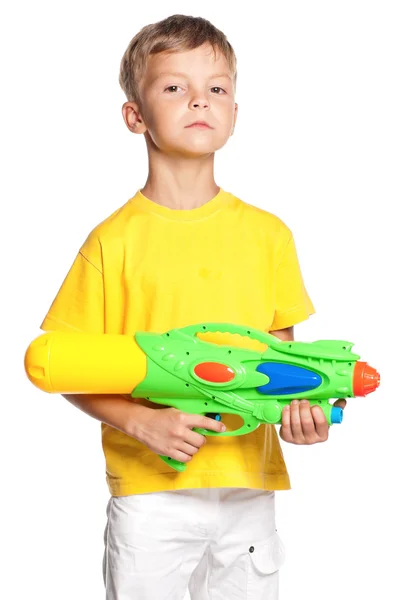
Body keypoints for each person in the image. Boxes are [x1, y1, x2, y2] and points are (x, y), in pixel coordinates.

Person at [39, 14, 346, 600]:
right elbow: (63, 365)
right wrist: (140, 421)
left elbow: (282, 364)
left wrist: (303, 415)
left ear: (235, 112)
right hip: (149, 492)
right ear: (135, 115)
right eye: (174, 87)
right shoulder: (112, 241)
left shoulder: (269, 235)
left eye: (217, 88)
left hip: (247, 489)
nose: (199, 100)